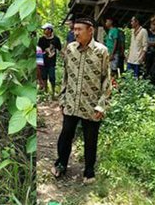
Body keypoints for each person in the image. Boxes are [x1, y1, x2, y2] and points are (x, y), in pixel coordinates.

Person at [52, 17, 111, 184]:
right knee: (65, 135)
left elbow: (106, 80)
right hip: (71, 102)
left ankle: (89, 171)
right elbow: (65, 76)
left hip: (91, 105)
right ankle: (61, 164)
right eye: (74, 29)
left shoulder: (101, 51)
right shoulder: (70, 49)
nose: (75, 32)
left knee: (90, 139)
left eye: (79, 29)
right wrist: (62, 98)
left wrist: (101, 105)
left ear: (90, 30)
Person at [38, 23, 62, 96]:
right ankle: (46, 92)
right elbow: (38, 50)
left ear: (50, 30)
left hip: (52, 62)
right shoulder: (41, 39)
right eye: (44, 29)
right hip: (43, 62)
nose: (44, 31)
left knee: (52, 77)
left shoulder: (56, 39)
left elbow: (60, 49)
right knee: (44, 76)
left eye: (45, 29)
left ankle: (53, 92)